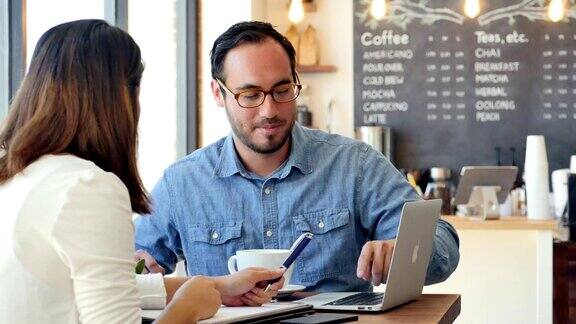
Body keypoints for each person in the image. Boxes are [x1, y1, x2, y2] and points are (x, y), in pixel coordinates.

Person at [134, 21, 460, 292]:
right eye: (250, 95)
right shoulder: (183, 182)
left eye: (282, 90)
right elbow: (131, 265)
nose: (270, 110)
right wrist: (141, 271)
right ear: (219, 94)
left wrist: (401, 253)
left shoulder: (353, 164)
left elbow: (443, 241)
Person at [0, 19, 284, 324]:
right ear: (119, 97)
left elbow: (114, 286)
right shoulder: (87, 187)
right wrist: (187, 307)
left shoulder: (19, 177)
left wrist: (220, 286)